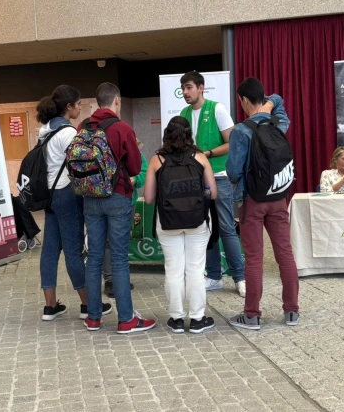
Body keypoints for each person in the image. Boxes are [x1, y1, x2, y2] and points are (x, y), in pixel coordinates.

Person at [81, 82, 155, 334]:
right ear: (117, 100)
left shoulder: (83, 127)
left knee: (94, 257)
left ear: (97, 102)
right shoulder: (123, 129)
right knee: (120, 258)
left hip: (90, 198)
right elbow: (135, 167)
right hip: (117, 197)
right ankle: (126, 319)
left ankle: (93, 318)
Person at [226, 77, 299, 330]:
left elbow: (234, 172)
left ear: (244, 100)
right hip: (278, 197)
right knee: (285, 253)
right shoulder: (279, 124)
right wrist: (270, 103)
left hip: (252, 200)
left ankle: (252, 315)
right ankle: (292, 311)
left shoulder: (241, 130)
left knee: (254, 257)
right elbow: (279, 101)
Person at [35, 85, 111, 321]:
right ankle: (88, 304)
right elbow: (80, 163)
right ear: (68, 107)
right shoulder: (68, 132)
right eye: (78, 104)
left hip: (49, 194)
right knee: (74, 251)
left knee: (49, 250)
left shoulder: (44, 129)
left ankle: (50, 306)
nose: (80, 108)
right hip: (67, 193)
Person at [144, 116, 218, 334]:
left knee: (173, 269)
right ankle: (197, 319)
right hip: (197, 221)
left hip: (168, 222)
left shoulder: (157, 160)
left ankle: (176, 319)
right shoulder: (200, 158)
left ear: (166, 134)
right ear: (189, 134)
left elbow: (149, 198)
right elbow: (213, 193)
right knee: (195, 270)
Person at [178, 71, 246, 298]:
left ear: (201, 87)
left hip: (219, 175)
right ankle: (215, 276)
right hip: (195, 178)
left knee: (226, 226)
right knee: (206, 229)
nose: (185, 92)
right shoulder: (183, 114)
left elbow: (232, 142)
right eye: (183, 88)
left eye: (189, 87)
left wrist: (207, 153)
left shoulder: (217, 109)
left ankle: (240, 277)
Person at [103, 151, 146, 298]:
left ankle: (119, 278)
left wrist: (135, 179)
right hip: (104, 198)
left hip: (125, 199)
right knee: (108, 242)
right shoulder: (99, 144)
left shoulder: (131, 148)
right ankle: (110, 279)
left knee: (120, 241)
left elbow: (143, 170)